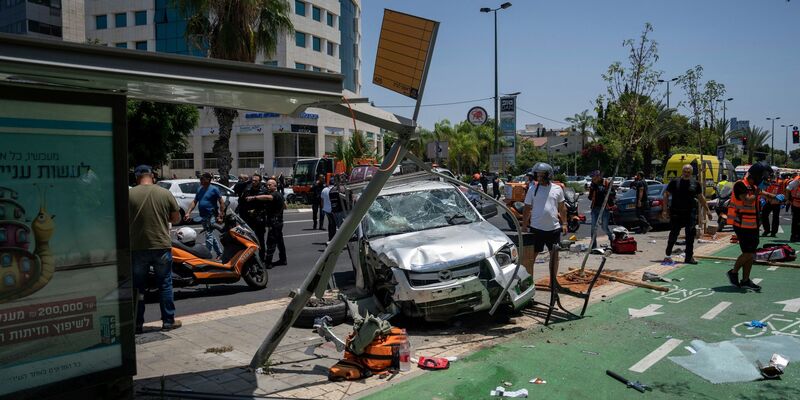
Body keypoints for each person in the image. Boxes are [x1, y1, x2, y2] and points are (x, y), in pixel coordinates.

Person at [129, 165, 182, 333]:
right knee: (165, 284)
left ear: (136, 177)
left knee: (138, 286)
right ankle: (168, 321)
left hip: (137, 247)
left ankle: (137, 323)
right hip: (161, 245)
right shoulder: (164, 193)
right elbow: (176, 217)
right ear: (152, 176)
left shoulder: (129, 194)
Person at [727, 163, 778, 290]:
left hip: (753, 225)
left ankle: (745, 280)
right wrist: (757, 191)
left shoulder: (752, 186)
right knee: (748, 252)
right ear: (756, 175)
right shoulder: (740, 185)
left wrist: (775, 197)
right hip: (741, 224)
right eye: (763, 176)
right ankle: (733, 273)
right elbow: (747, 199)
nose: (765, 179)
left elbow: (763, 193)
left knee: (751, 253)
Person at [521, 163, 567, 277]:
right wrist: (524, 226)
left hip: (554, 229)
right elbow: (527, 208)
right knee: (531, 257)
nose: (539, 178)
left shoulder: (557, 189)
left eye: (542, 175)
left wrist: (565, 223)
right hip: (536, 229)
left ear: (549, 175)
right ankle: (529, 281)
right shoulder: (532, 189)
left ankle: (553, 281)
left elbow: (562, 207)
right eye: (538, 175)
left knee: (554, 257)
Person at [661, 164, 711, 265]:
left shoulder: (695, 183)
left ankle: (688, 257)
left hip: (690, 213)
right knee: (673, 235)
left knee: (690, 236)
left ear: (691, 173)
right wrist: (665, 210)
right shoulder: (675, 182)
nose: (686, 174)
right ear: (682, 172)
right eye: (685, 171)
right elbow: (666, 195)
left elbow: (701, 197)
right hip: (676, 213)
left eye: (688, 172)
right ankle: (668, 254)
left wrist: (708, 211)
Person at [246, 178, 287, 267]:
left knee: (271, 242)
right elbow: (285, 206)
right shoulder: (280, 194)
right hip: (278, 222)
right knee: (280, 241)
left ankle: (268, 263)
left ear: (275, 186)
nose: (267, 186)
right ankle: (283, 260)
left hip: (275, 222)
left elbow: (268, 197)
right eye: (267, 185)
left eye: (269, 185)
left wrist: (254, 197)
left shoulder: (274, 194)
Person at [184, 172, 225, 258]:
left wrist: (221, 214)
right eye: (200, 179)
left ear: (208, 180)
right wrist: (188, 213)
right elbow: (195, 201)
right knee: (210, 235)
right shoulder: (200, 189)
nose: (200, 180)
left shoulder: (214, 189)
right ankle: (220, 253)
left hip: (211, 215)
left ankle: (207, 255)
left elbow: (221, 202)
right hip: (203, 216)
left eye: (202, 179)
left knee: (208, 235)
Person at [239, 173, 267, 260]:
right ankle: (250, 258)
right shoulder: (247, 189)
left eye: (256, 181)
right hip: (249, 218)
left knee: (260, 239)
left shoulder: (264, 190)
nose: (253, 182)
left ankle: (262, 258)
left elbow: (267, 204)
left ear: (259, 181)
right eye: (252, 180)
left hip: (259, 218)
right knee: (248, 239)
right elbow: (242, 203)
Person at [587, 170, 614, 249]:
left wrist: (606, 192)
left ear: (599, 176)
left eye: (594, 177)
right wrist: (592, 188)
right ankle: (593, 245)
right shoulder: (593, 184)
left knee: (604, 227)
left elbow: (613, 193)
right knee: (593, 227)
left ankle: (611, 238)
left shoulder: (606, 183)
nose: (593, 179)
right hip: (595, 208)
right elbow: (590, 197)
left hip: (605, 208)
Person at [761, 173, 785, 237]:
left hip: (777, 202)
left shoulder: (780, 182)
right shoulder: (766, 182)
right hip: (768, 201)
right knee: (764, 215)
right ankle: (766, 230)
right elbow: (763, 190)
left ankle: (773, 232)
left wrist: (782, 202)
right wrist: (763, 199)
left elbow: (783, 192)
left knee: (775, 218)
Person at [788, 173, 800, 242]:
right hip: (795, 204)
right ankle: (793, 236)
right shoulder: (796, 181)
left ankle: (798, 236)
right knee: (795, 221)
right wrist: (788, 199)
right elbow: (788, 189)